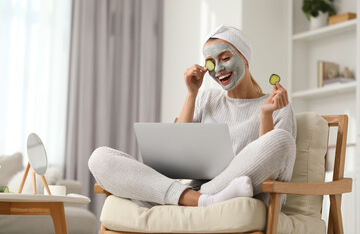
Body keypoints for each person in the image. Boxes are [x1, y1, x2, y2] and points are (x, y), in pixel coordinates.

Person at [88, 25, 296, 208]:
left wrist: (265, 115)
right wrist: (191, 93)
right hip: (194, 189)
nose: (219, 68)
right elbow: (175, 152)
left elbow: (268, 161)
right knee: (99, 158)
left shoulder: (277, 104)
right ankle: (199, 201)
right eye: (211, 63)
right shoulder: (206, 98)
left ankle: (186, 200)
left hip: (241, 192)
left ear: (245, 57)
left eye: (225, 58)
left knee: (281, 140)